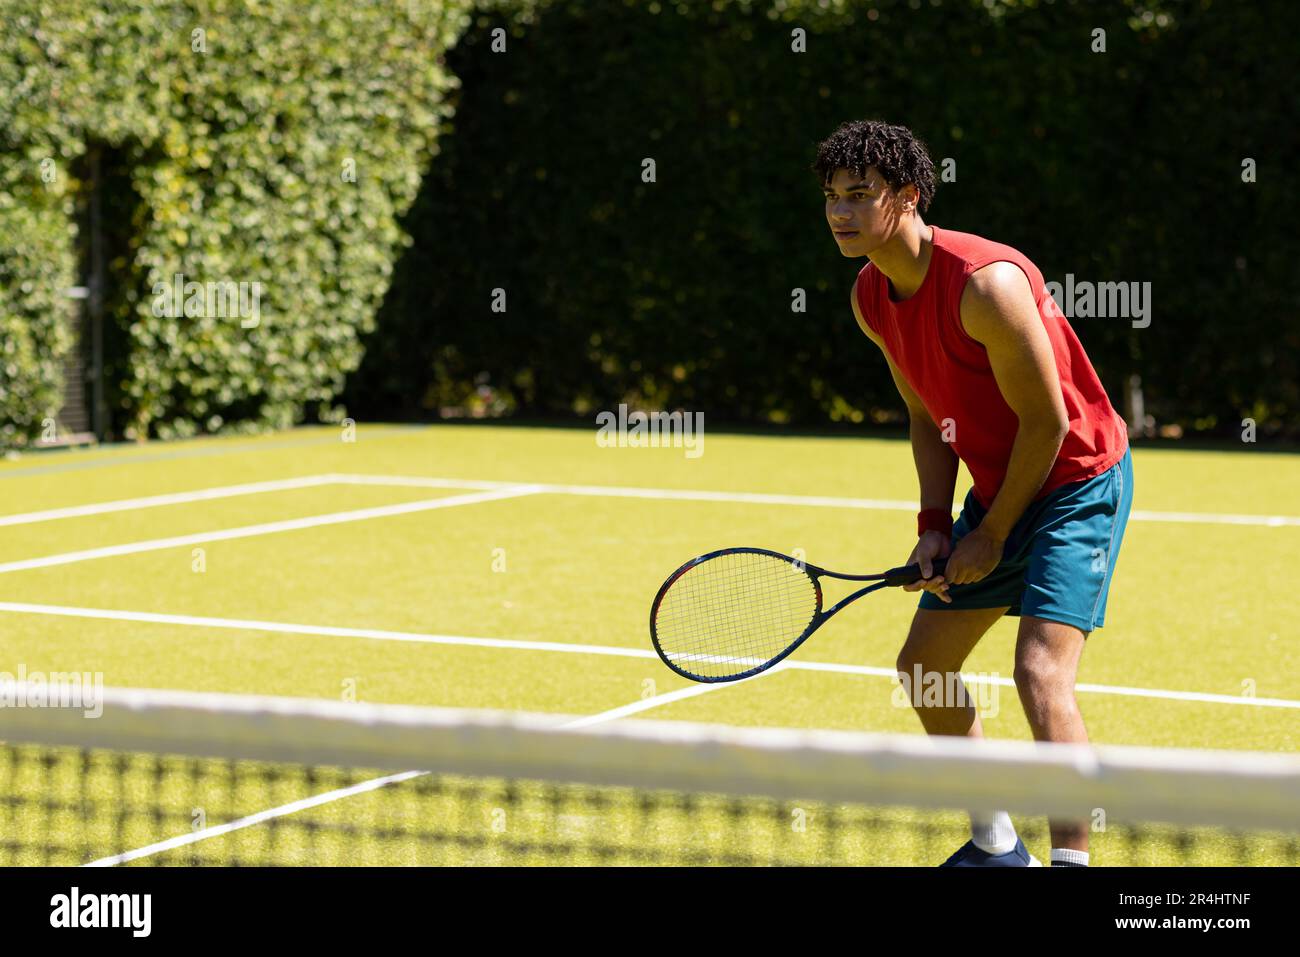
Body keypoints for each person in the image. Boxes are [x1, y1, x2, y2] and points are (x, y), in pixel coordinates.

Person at [813, 119, 1134, 867]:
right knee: (923, 666)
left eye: (860, 194)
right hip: (1001, 482)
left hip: (1077, 478)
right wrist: (934, 525)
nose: (840, 212)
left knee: (1038, 671)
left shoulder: (986, 285)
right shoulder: (870, 295)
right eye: (832, 196)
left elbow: (1048, 422)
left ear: (910, 195)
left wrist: (990, 535)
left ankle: (1072, 864)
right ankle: (995, 844)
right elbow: (926, 415)